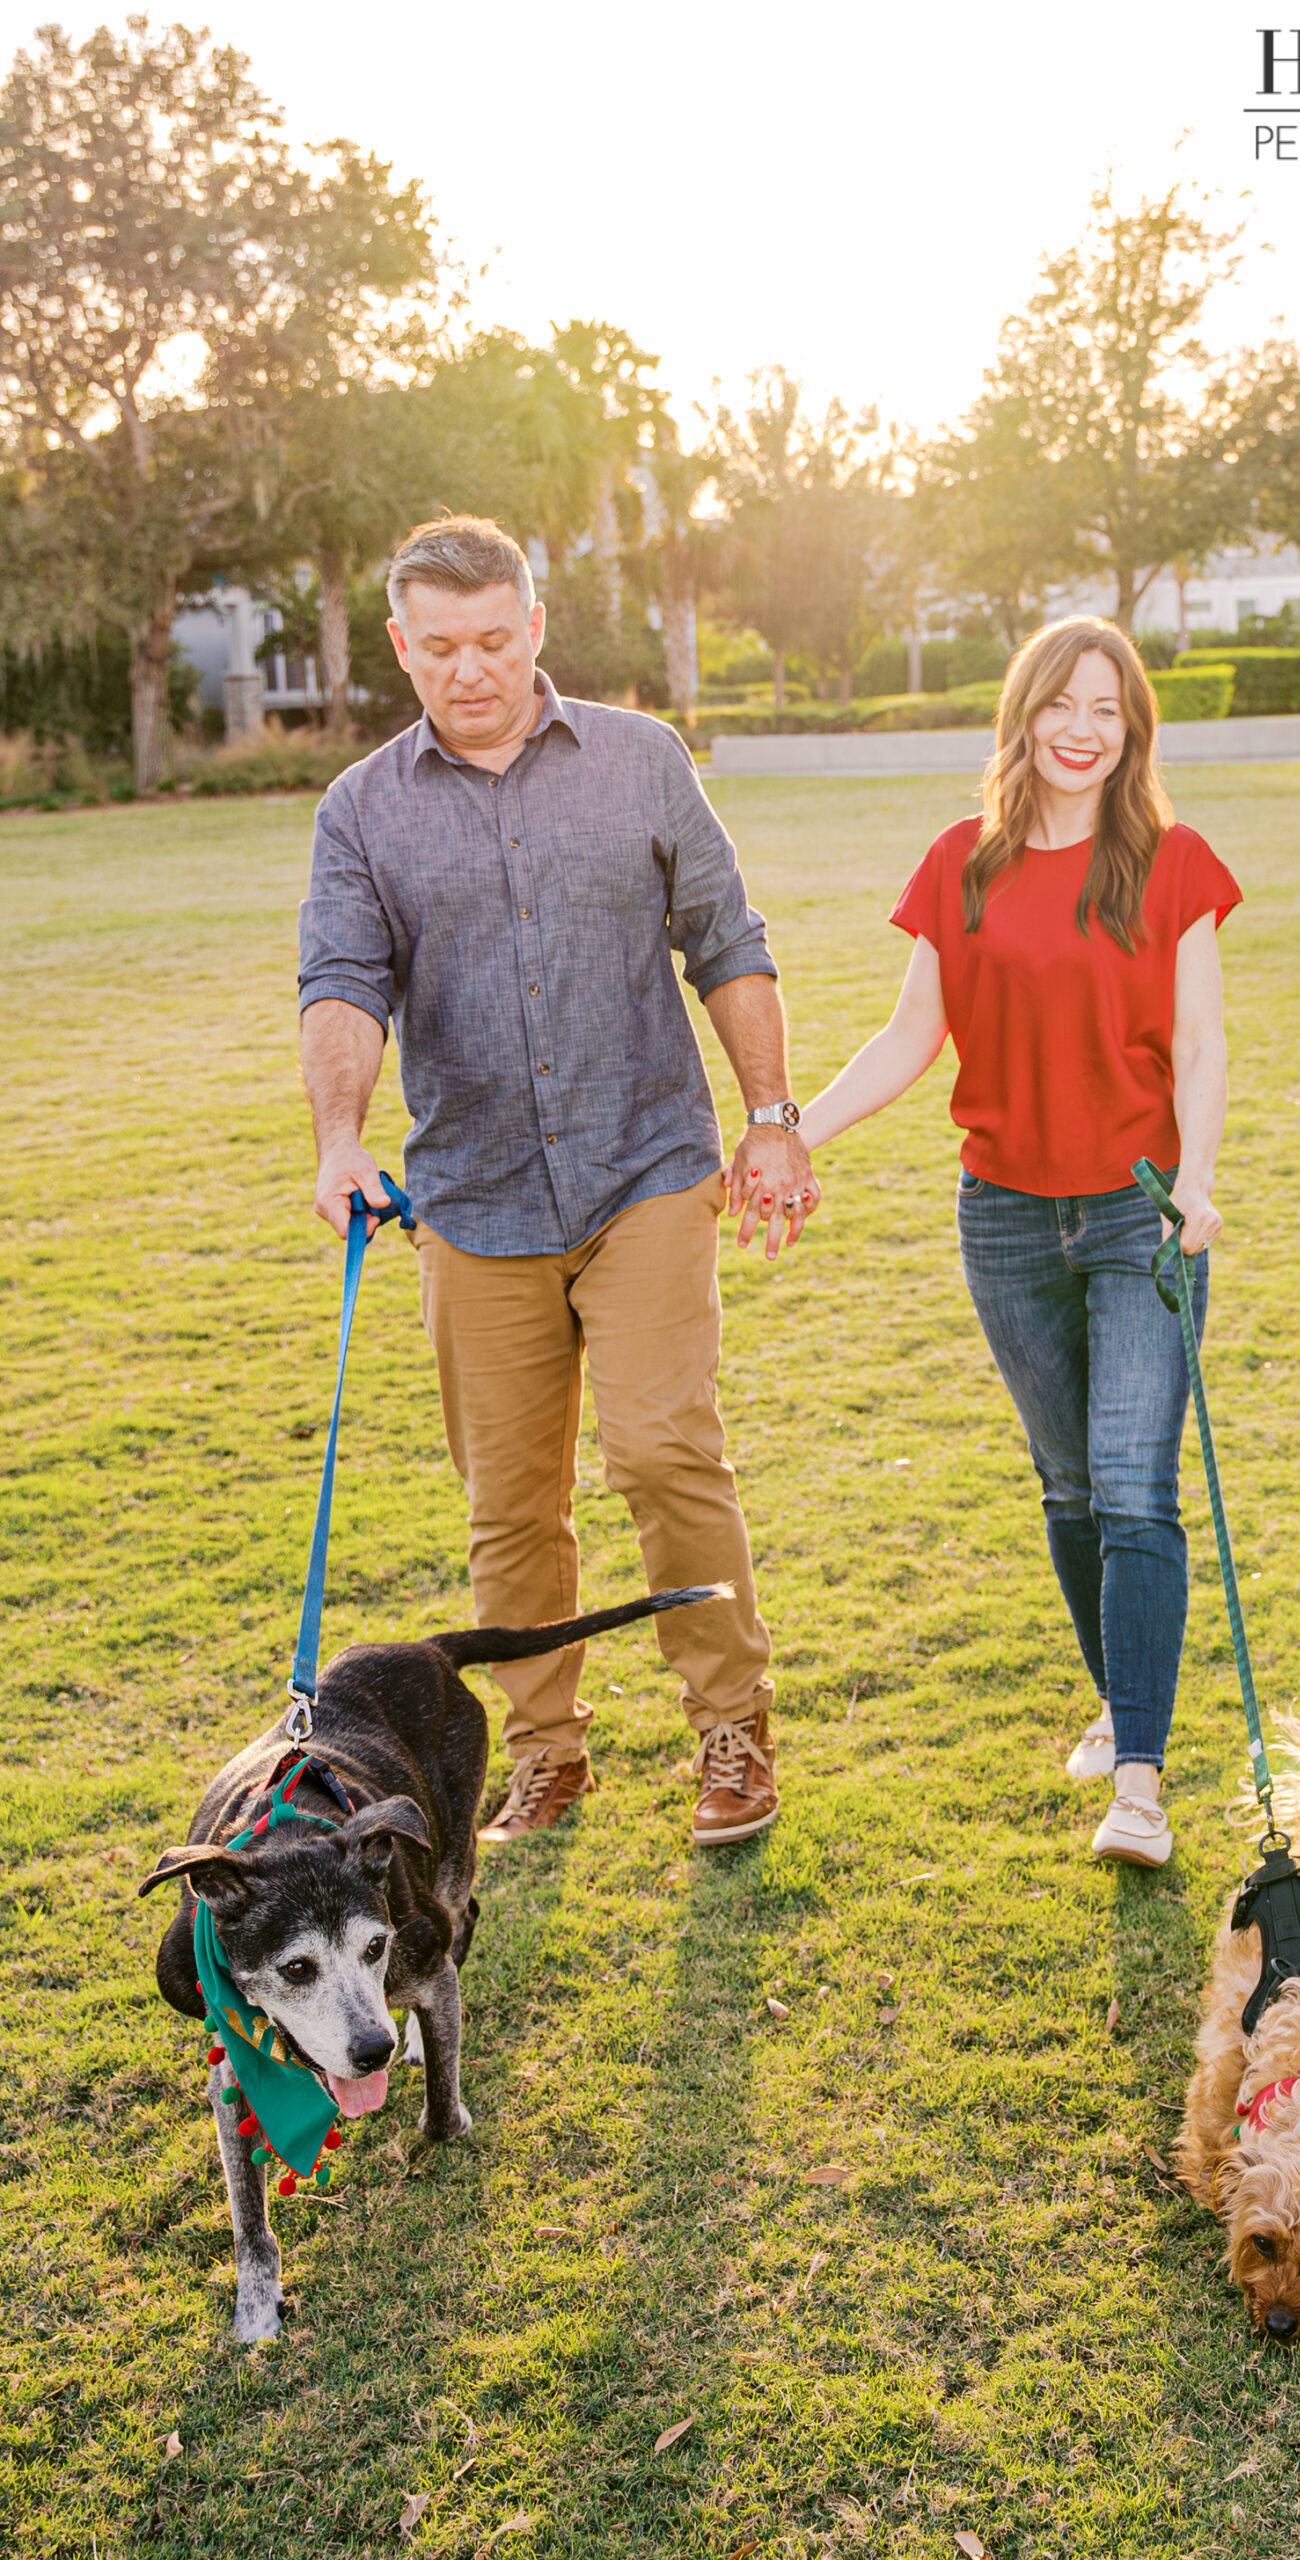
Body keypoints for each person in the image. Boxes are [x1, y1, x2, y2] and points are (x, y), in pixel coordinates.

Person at [297, 516, 818, 1849]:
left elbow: (725, 938)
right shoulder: (361, 809)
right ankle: (542, 1756)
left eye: (492, 640)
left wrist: (769, 1117)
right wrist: (340, 1136)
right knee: (510, 1503)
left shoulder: (640, 762)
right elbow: (344, 984)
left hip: (642, 1166)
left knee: (660, 1449)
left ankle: (730, 1731)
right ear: (401, 649)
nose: (469, 671)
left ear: (535, 627)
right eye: (439, 648)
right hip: (471, 1200)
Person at [799, 618, 1240, 1867]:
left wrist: (1198, 1176)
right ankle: (1124, 1697)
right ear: (1025, 714)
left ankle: (1140, 1787)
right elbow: (907, 1038)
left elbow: (1201, 1043)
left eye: (1108, 709)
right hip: (1002, 1216)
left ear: (1131, 726)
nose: (1083, 730)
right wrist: (794, 1131)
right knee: (1068, 1486)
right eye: (1063, 704)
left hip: (1138, 1211)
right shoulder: (963, 863)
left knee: (1134, 1484)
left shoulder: (1169, 862)